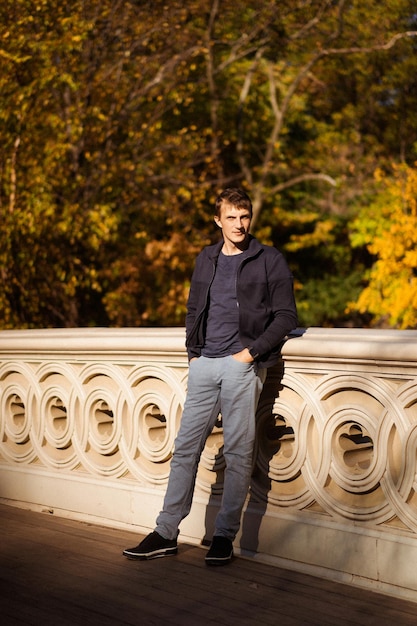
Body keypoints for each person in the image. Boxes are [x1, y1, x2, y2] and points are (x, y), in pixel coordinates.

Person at [123, 187, 298, 565]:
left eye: (245, 216)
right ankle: (166, 532)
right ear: (218, 220)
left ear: (251, 218)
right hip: (204, 364)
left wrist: (248, 355)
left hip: (241, 366)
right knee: (185, 450)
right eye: (231, 217)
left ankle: (223, 536)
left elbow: (286, 316)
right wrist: (194, 356)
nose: (239, 224)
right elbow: (193, 308)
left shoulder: (269, 260)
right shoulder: (206, 259)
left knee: (237, 453)